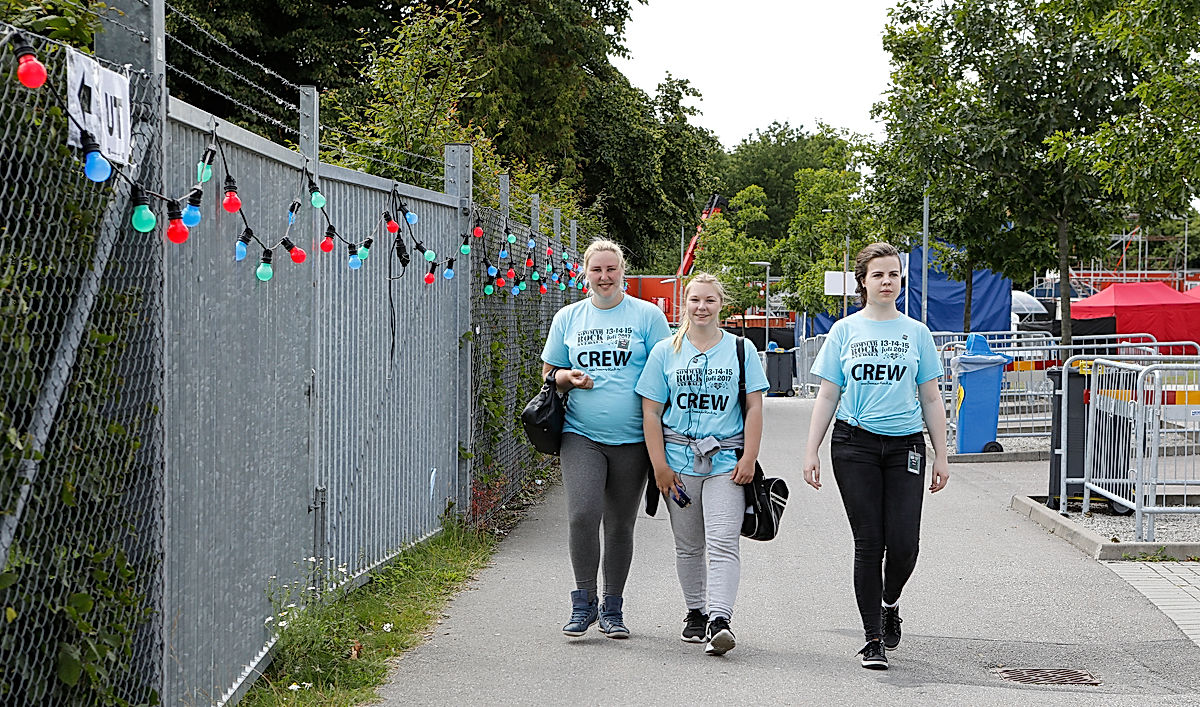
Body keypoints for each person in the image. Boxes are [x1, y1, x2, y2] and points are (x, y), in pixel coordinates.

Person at [802, 242, 949, 670]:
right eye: (878, 274)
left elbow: (931, 397)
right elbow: (828, 394)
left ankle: (890, 602)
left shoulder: (916, 333)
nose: (887, 281)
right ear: (863, 282)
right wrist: (811, 450)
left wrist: (942, 455)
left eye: (894, 274)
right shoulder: (844, 331)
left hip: (906, 446)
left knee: (904, 544)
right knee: (869, 543)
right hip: (854, 444)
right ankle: (872, 639)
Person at [541, 238, 671, 639]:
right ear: (585, 274)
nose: (604, 277)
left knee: (619, 524)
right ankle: (583, 604)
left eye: (611, 269)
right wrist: (567, 377)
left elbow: (667, 370)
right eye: (596, 270)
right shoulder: (569, 317)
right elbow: (549, 373)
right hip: (581, 434)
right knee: (582, 515)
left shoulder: (647, 316)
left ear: (622, 272)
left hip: (634, 439)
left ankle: (613, 608)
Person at [636, 273, 767, 656]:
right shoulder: (666, 351)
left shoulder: (741, 350)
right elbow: (651, 411)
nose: (702, 307)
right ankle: (696, 611)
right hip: (678, 463)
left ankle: (720, 620)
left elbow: (754, 406)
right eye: (695, 300)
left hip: (726, 462)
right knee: (689, 545)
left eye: (709, 300)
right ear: (685, 303)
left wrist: (750, 456)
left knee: (723, 541)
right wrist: (659, 465)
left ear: (721, 304)